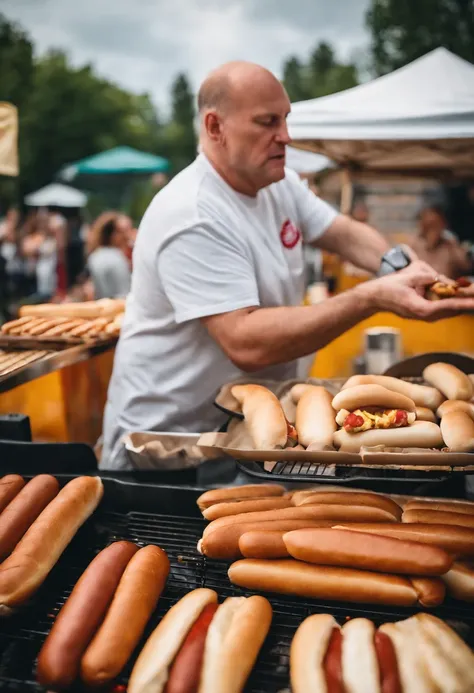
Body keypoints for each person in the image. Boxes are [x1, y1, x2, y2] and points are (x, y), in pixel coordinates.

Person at [100, 61, 474, 470]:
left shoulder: (278, 183)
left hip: (241, 434)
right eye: (267, 122)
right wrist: (370, 297)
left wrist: (400, 266)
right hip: (170, 447)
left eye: (285, 119)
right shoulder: (192, 212)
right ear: (214, 127)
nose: (285, 136)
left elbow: (343, 232)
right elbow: (246, 341)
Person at [407, 204, 472, 279]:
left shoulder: (449, 243)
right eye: (429, 224)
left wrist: (452, 245)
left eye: (435, 224)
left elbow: (466, 267)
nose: (432, 229)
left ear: (443, 223)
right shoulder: (413, 243)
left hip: (446, 287)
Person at [87, 212, 132, 299]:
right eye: (121, 231)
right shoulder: (116, 257)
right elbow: (123, 293)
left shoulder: (95, 256)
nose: (126, 235)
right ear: (112, 234)